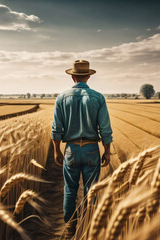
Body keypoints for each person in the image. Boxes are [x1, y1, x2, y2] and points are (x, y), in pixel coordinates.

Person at [51, 60, 113, 238]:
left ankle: (70, 227)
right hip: (91, 149)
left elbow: (56, 129)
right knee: (90, 190)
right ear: (88, 76)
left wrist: (57, 150)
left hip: (70, 150)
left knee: (70, 190)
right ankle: (88, 225)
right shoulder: (98, 98)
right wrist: (107, 151)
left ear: (72, 77)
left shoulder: (62, 98)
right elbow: (105, 129)